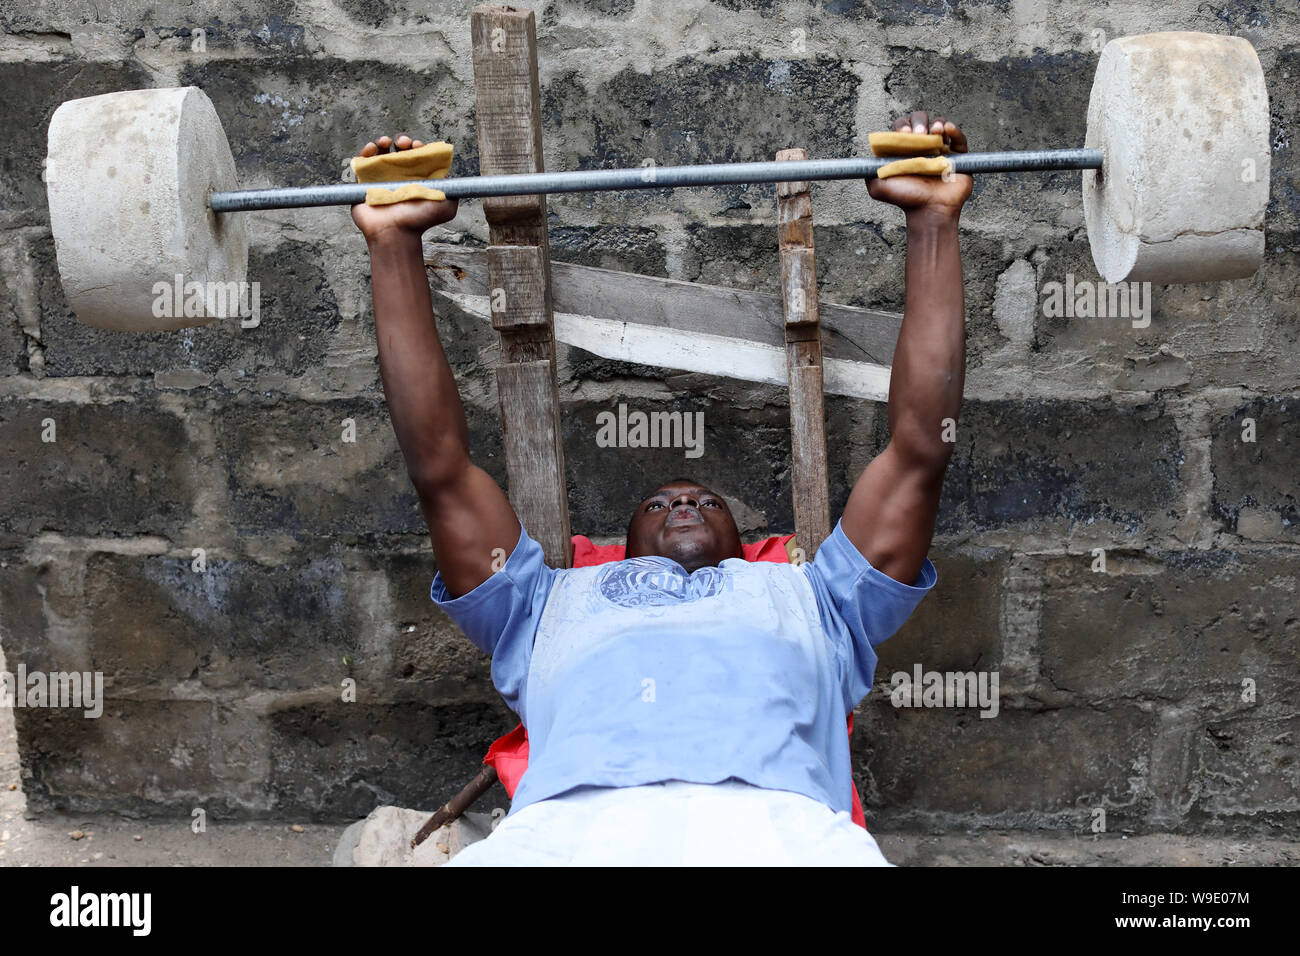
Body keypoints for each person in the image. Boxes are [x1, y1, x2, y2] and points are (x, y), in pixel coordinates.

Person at [349, 111, 972, 865]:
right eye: (661, 502)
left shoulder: (822, 600)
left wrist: (933, 221)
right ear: (616, 550)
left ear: (749, 549)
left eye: (708, 503)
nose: (684, 503)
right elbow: (440, 468)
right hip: (566, 835)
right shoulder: (539, 605)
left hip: (781, 832)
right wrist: (394, 244)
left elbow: (916, 452)